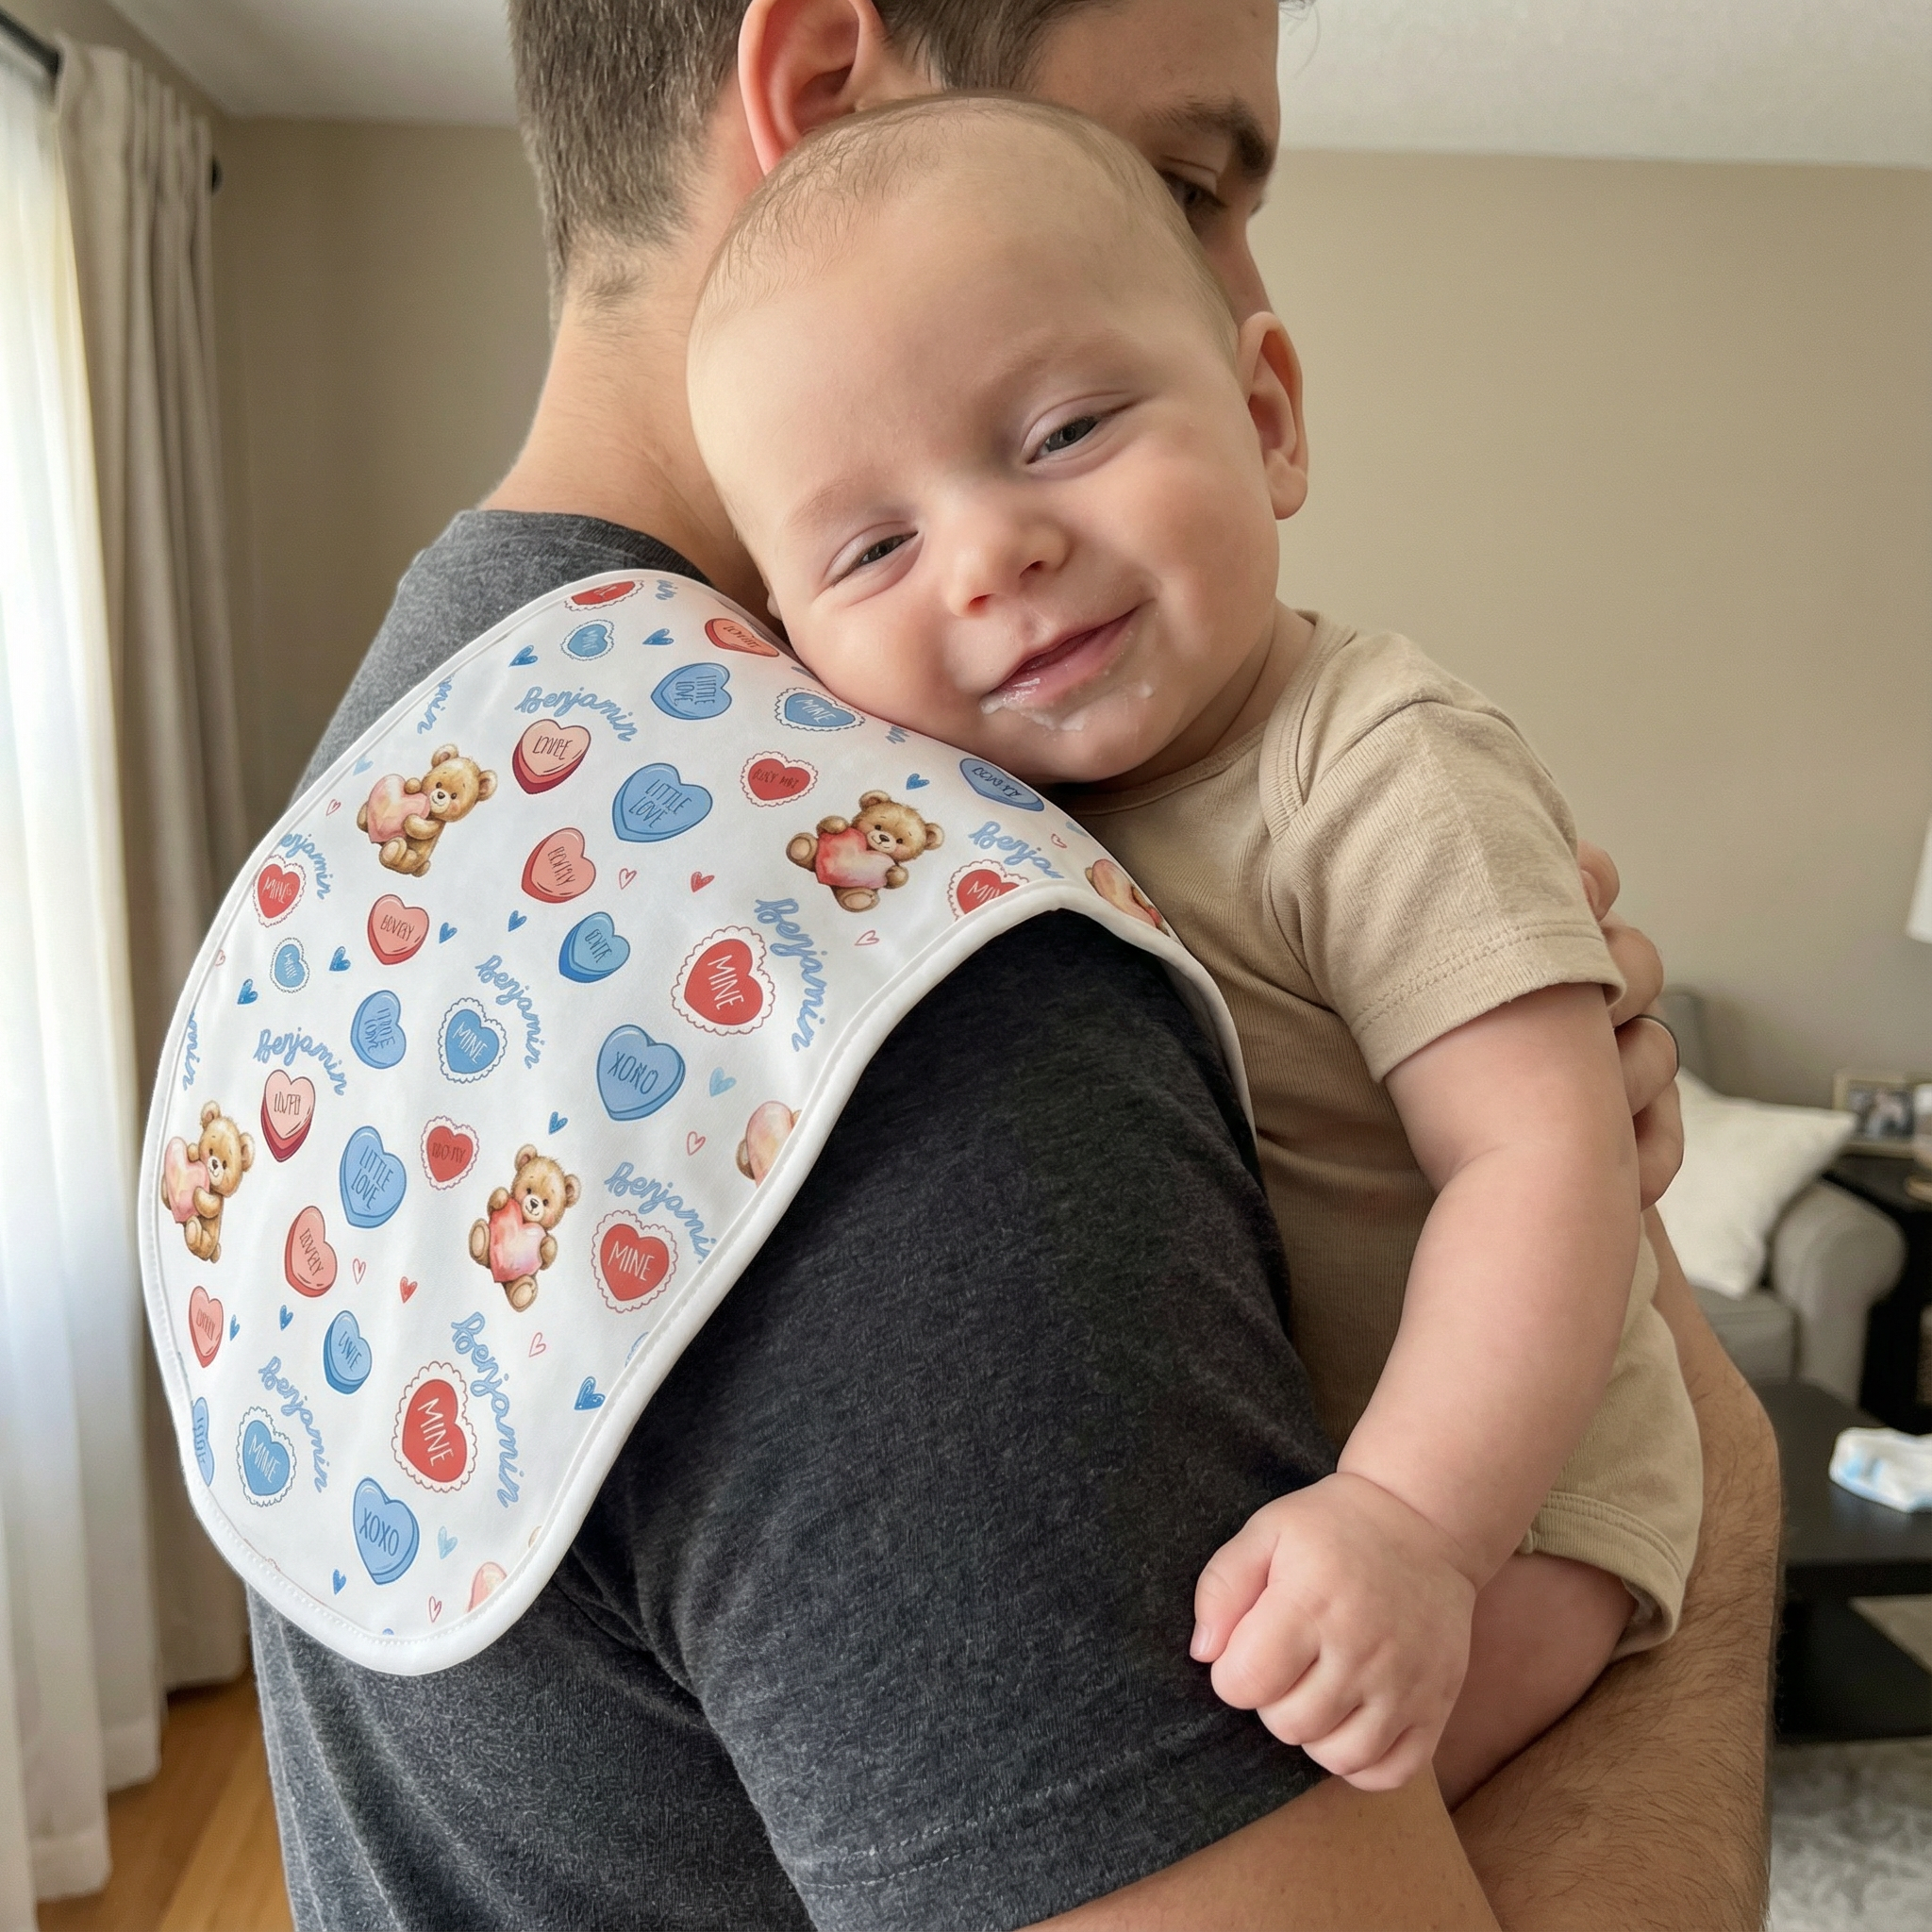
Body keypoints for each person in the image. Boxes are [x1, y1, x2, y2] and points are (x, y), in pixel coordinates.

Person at [253, 4, 1779, 1927]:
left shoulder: (379, 800)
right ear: (827, 98)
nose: (1245, 286)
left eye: (1064, 434)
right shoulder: (894, 949)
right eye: (1186, 182)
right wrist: (1722, 1479)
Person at [683, 92, 1702, 1807]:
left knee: (1317, 1829)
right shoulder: (982, 811)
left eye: (1067, 430)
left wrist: (1414, 1522)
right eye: (875, 547)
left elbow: (1544, 1163)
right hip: (1311, 1490)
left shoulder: (1378, 769)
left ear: (1268, 418)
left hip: (1527, 1505)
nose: (993, 554)